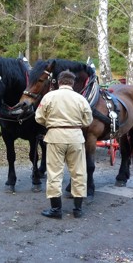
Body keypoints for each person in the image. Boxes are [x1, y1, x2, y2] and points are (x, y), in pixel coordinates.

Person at [35, 70, 93, 219]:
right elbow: (88, 121)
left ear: (59, 81)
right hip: (75, 138)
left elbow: (39, 118)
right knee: (79, 172)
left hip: (55, 137)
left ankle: (56, 210)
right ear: (72, 83)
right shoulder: (80, 99)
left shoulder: (49, 97)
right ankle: (78, 209)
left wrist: (52, 124)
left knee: (54, 173)